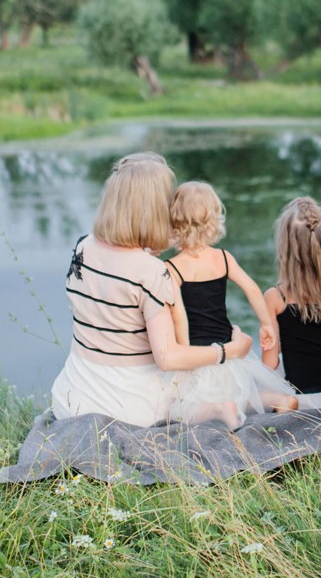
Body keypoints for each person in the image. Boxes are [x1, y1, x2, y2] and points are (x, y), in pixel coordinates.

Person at [51, 152, 252, 429]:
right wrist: (227, 351)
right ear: (153, 208)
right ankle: (218, 408)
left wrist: (154, 246)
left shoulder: (82, 247)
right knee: (208, 390)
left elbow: (122, 270)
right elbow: (168, 358)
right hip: (129, 410)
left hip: (71, 401)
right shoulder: (152, 272)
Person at [165, 181, 301, 428]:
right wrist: (266, 325)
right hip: (229, 356)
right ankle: (279, 399)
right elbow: (251, 288)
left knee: (181, 409)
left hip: (200, 357)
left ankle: (221, 409)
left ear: (174, 222)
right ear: (213, 219)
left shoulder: (172, 268)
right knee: (244, 397)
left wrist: (183, 365)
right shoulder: (223, 258)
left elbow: (179, 318)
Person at [262, 196, 321, 410]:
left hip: (301, 398)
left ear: (286, 248)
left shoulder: (276, 297)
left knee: (255, 393)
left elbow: (270, 364)